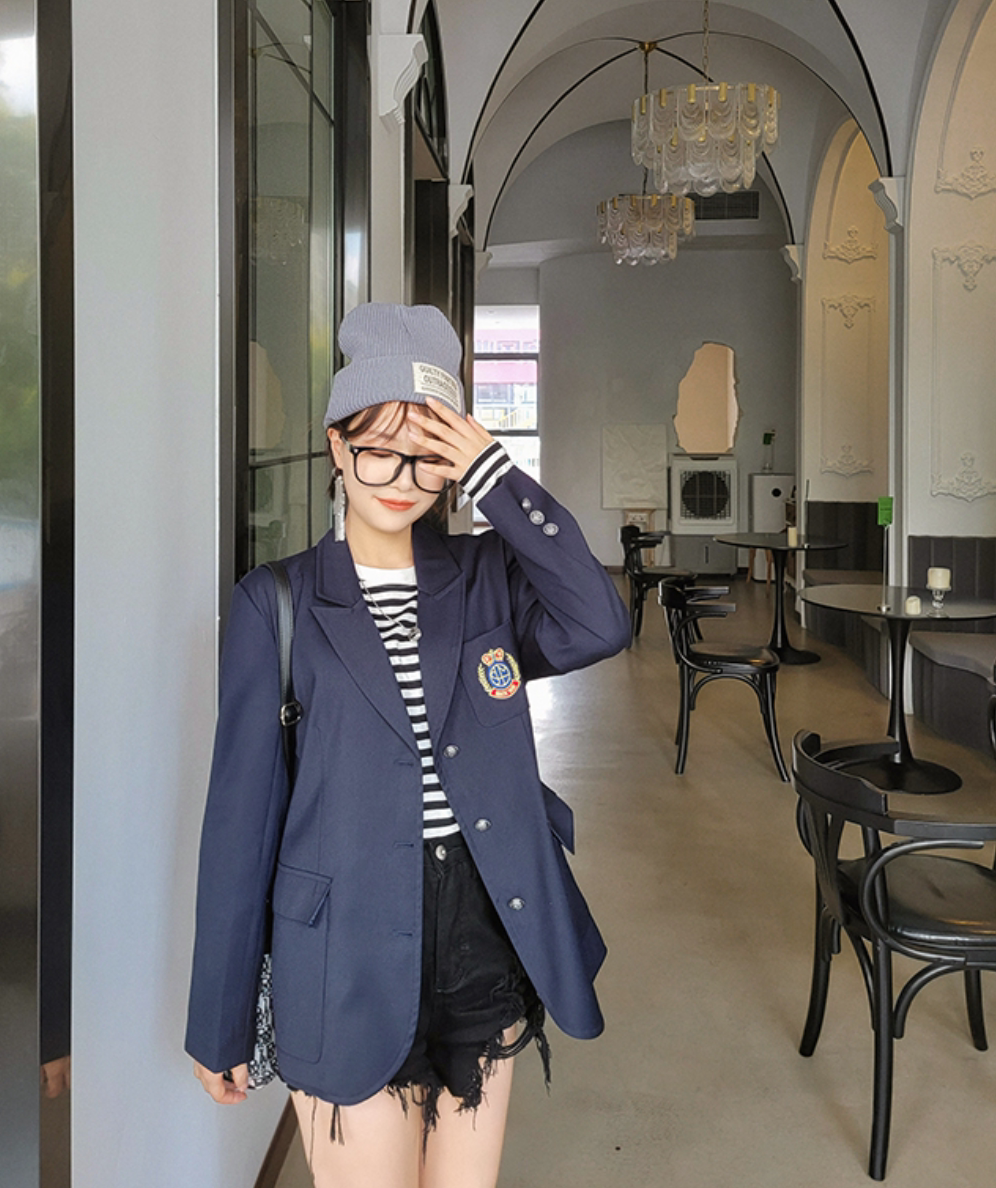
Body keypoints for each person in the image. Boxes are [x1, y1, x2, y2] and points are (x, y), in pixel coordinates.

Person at [185, 303, 630, 1187]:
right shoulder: (276, 603)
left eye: (429, 455)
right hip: (341, 950)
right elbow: (239, 823)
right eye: (379, 449)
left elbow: (598, 622)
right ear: (336, 445)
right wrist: (219, 1018)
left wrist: (495, 477)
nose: (402, 478)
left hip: (483, 927)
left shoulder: (484, 577)